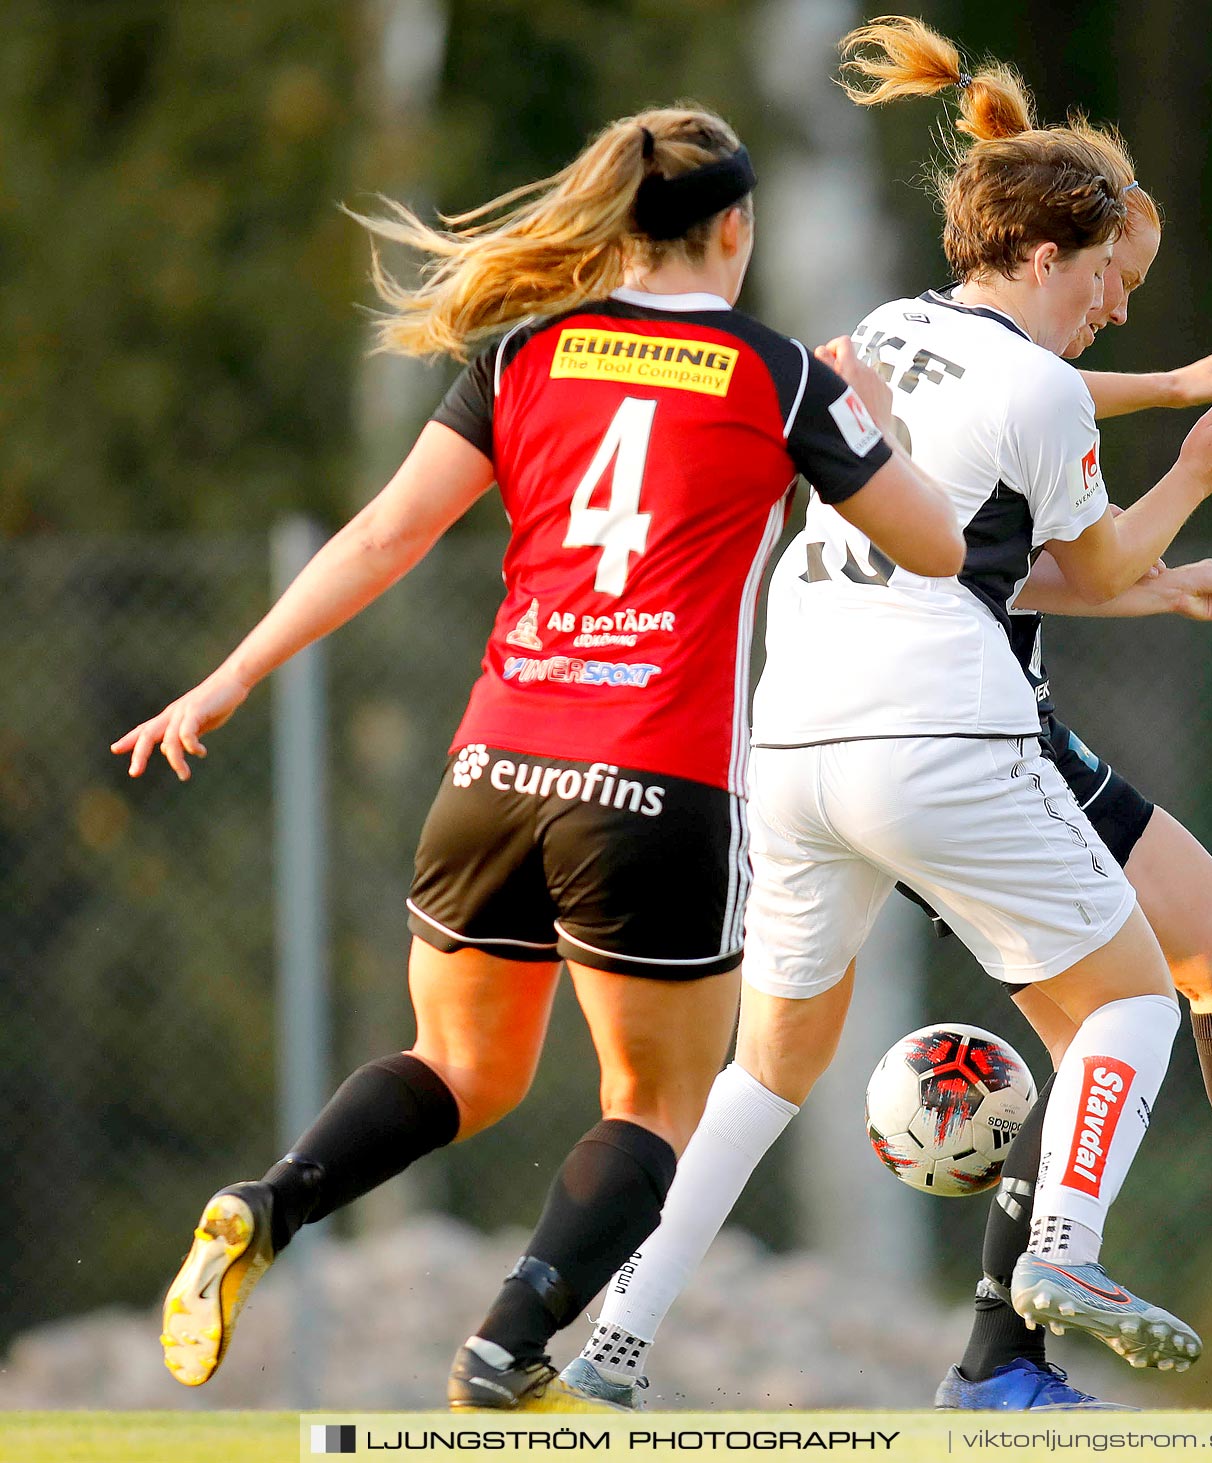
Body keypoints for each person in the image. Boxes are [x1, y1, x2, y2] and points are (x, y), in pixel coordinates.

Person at [566, 19, 1212, 1415]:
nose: (1120, 310)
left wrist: (1162, 529)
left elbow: (1019, 501)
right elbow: (1097, 541)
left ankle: (618, 1340)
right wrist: (1193, 471)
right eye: (1112, 279)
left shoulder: (886, 332)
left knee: (784, 1065)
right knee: (1126, 1004)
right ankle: (1050, 1278)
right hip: (949, 733)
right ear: (1053, 254)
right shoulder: (1045, 383)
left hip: (796, 739)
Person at [113, 104, 963, 1413]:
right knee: (659, 1105)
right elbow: (935, 547)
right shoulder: (776, 373)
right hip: (657, 784)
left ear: (618, 223)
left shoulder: (524, 354)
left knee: (460, 1068)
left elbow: (386, 537)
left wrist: (229, 676)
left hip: (495, 773)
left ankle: (269, 1201)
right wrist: (873, 414)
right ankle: (508, 1347)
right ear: (736, 227)